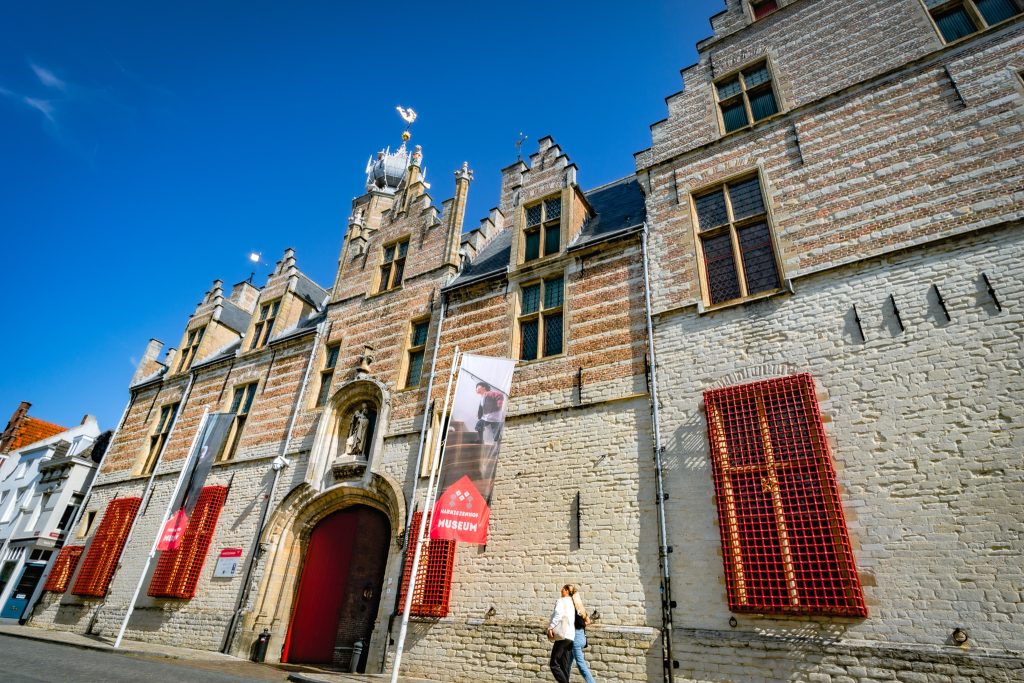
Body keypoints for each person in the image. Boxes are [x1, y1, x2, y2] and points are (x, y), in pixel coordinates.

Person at [546, 584, 575, 683]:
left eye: (563, 589)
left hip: (563, 635)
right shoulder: (572, 603)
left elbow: (558, 614)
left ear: (566, 591)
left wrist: (551, 627)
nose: (561, 590)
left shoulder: (561, 601)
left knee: (554, 664)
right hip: (571, 637)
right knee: (564, 666)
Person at [567, 584, 596, 683]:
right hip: (581, 636)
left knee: (581, 665)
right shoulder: (580, 607)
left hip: (575, 638)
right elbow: (587, 621)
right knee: (567, 663)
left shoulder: (570, 607)